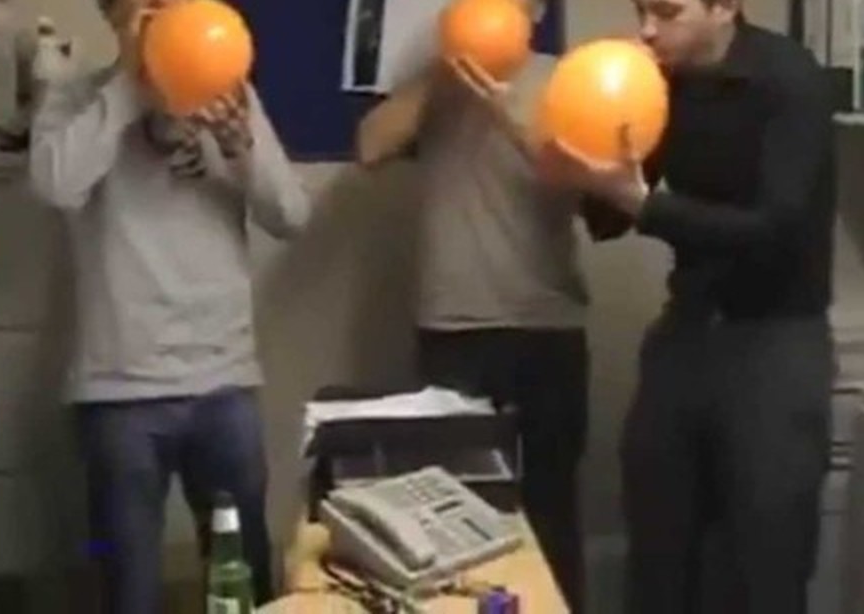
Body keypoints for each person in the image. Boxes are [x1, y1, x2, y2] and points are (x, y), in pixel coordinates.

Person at [538, 1, 838, 612]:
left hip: (776, 340)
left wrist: (644, 206)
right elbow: (610, 221)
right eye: (642, 9)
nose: (648, 29)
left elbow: (775, 228)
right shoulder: (656, 81)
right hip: (688, 332)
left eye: (668, 11)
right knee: (658, 544)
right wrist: (586, 175)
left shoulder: (790, 80)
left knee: (765, 557)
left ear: (724, 7)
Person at [28, 0, 310, 611]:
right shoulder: (78, 96)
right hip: (118, 391)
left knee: (245, 584)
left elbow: (291, 216)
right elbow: (55, 185)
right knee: (128, 588)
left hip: (224, 381)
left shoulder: (229, 91)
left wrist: (242, 151)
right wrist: (133, 87)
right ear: (115, 17)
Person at [353, 2, 628, 610]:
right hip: (453, 328)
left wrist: (508, 112)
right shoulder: (435, 78)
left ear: (535, 11)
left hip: (546, 327)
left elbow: (594, 190)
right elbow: (369, 148)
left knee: (551, 511)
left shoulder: (564, 81)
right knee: (454, 513)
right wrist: (441, 76)